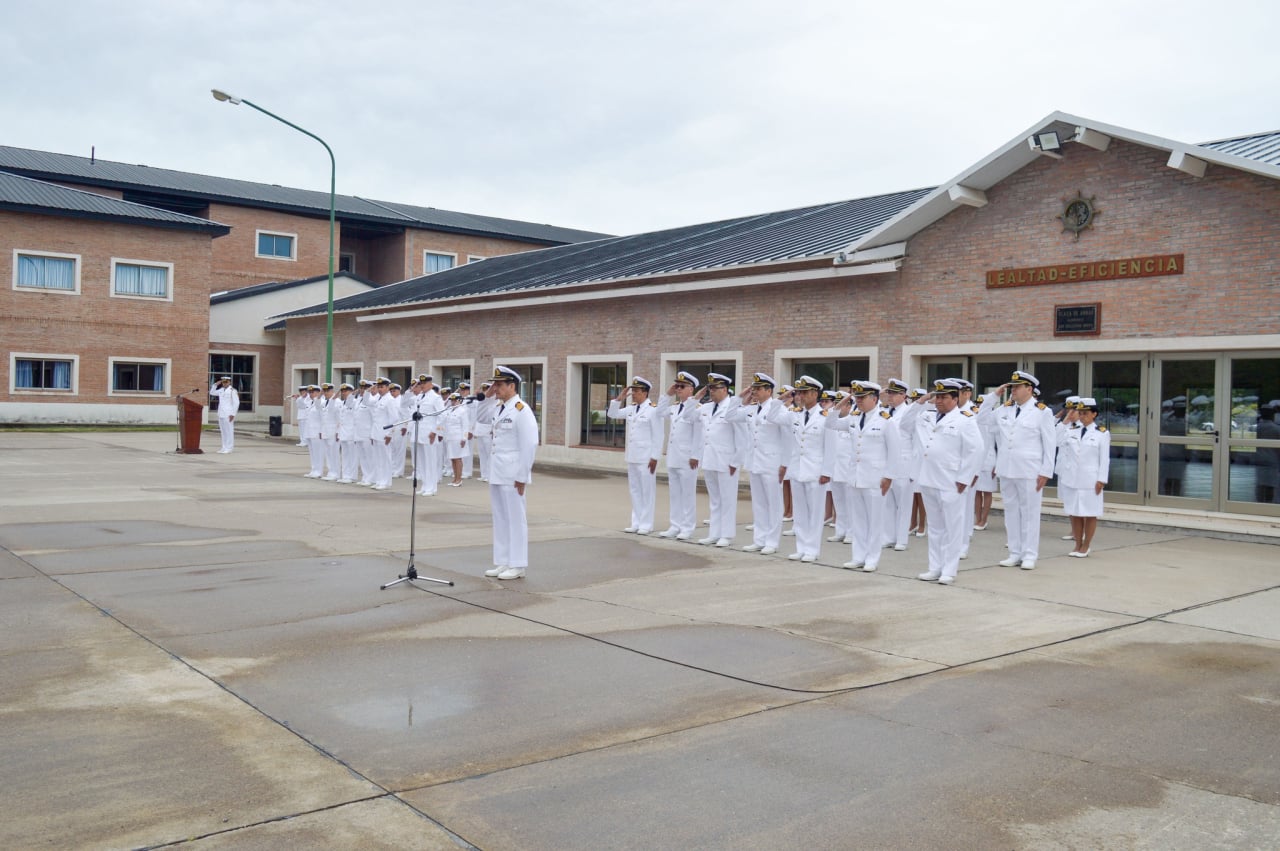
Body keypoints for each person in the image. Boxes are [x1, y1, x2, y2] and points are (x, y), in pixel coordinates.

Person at [900, 379, 983, 585]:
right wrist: (921, 401)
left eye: (944, 397)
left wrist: (965, 478)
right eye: (937, 397)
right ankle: (934, 567)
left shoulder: (965, 419)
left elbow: (976, 450)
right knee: (935, 527)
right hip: (928, 478)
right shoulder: (926, 416)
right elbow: (905, 424)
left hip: (951, 481)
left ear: (955, 399)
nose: (939, 401)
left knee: (952, 528)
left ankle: (949, 570)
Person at [982, 371, 1056, 570]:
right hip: (1006, 468)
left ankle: (1030, 554)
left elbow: (1050, 444)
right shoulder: (1004, 410)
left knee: (1030, 513)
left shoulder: (1042, 412)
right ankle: (1015, 553)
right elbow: (982, 419)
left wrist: (1046, 471)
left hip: (1030, 470)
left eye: (1017, 387)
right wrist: (994, 396)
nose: (1013, 390)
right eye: (1012, 387)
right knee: (1011, 512)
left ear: (1029, 389)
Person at [826, 381, 899, 572]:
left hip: (875, 478)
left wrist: (889, 476)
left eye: (862, 397)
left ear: (874, 398)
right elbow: (830, 423)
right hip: (855, 477)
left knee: (874, 521)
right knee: (858, 520)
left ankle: (872, 558)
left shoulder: (886, 420)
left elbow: (894, 451)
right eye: (856, 397)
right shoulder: (853, 417)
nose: (858, 400)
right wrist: (842, 402)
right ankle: (858, 556)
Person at [477, 366, 539, 580]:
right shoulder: (498, 408)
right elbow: (481, 418)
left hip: (513, 474)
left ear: (512, 386)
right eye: (495, 385)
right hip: (497, 471)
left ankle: (518, 564)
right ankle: (503, 561)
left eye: (500, 385)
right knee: (501, 518)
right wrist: (487, 397)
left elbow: (529, 445)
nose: (496, 388)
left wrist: (522, 476)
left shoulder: (522, 410)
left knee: (515, 519)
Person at [764, 376, 828, 563]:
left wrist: (827, 471)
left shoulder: (825, 417)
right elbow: (771, 416)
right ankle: (801, 547)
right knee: (800, 513)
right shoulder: (794, 414)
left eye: (804, 392)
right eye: (799, 392)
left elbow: (830, 447)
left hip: (816, 470)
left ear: (815, 394)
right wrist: (782, 398)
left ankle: (812, 549)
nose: (801, 396)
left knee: (814, 513)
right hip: (797, 469)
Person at [730, 372, 785, 554]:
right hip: (754, 461)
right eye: (753, 388)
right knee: (759, 503)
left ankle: (772, 541)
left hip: (772, 462)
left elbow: (786, 439)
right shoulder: (751, 409)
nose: (754, 391)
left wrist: (784, 463)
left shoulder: (779, 410)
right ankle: (759, 539)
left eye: (758, 388)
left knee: (773, 504)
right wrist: (740, 397)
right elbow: (730, 415)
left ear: (769, 391)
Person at [608, 376, 665, 535]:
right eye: (633, 391)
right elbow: (612, 414)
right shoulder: (632, 408)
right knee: (635, 491)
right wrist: (619, 399)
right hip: (632, 456)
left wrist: (655, 457)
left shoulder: (653, 410)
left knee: (647, 491)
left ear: (645, 393)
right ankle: (636, 522)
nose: (633, 394)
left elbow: (658, 435)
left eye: (637, 391)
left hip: (646, 458)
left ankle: (646, 524)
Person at [697, 372, 746, 547]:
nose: (711, 391)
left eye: (715, 388)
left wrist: (736, 461)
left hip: (727, 461)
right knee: (715, 500)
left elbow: (742, 438)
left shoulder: (734, 408)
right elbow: (688, 415)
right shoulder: (706, 408)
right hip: (710, 459)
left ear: (725, 389)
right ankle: (714, 533)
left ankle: (726, 535)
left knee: (728, 500)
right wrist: (697, 397)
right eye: (710, 388)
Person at [1057, 398, 1110, 556]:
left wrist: (1101, 479)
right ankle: (1078, 544)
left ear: (1094, 414)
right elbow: (1055, 440)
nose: (1082, 416)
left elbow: (1104, 459)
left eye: (1085, 413)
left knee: (1090, 513)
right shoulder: (1072, 430)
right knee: (1074, 513)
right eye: (1080, 413)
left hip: (1090, 480)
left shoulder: (1102, 433)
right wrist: (1066, 420)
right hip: (1072, 479)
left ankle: (1086, 545)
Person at [658, 372, 704, 541]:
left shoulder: (697, 409)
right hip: (674, 457)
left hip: (687, 459)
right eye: (677, 386)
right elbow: (659, 412)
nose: (678, 389)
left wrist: (695, 455)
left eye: (682, 386)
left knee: (688, 494)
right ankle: (675, 525)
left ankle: (687, 527)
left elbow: (699, 434)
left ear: (691, 389)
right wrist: (667, 395)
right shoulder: (675, 407)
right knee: (675, 494)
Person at [879, 379, 914, 551]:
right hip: (887, 463)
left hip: (904, 464)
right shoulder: (885, 412)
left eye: (893, 394)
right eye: (889, 393)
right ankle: (889, 536)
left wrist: (915, 467)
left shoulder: (909, 413)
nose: (890, 397)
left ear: (903, 395)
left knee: (903, 503)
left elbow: (916, 440)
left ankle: (901, 539)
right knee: (887, 502)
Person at [210, 376, 239, 454]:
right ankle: (224, 447)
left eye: (226, 382)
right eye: (223, 382)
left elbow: (236, 403)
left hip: (228, 414)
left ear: (229, 382)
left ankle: (229, 448)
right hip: (221, 413)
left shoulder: (232, 391)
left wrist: (233, 414)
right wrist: (215, 385)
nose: (224, 384)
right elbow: (212, 392)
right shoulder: (221, 390)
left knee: (229, 431)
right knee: (223, 432)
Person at [336, 383, 358, 483]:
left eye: (346, 391)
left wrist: (352, 396)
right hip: (343, 433)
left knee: (352, 456)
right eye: (343, 391)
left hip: (351, 433)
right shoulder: (342, 403)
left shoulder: (355, 402)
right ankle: (345, 475)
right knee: (345, 456)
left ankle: (352, 476)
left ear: (351, 392)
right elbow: (340, 420)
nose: (344, 393)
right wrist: (338, 433)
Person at [302, 385, 324, 475]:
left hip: (317, 432)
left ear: (318, 392)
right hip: (309, 431)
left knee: (318, 453)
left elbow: (323, 418)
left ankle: (319, 471)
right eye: (310, 392)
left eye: (313, 392)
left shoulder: (321, 402)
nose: (311, 394)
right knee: (312, 453)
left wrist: (321, 431)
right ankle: (314, 470)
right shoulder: (309, 402)